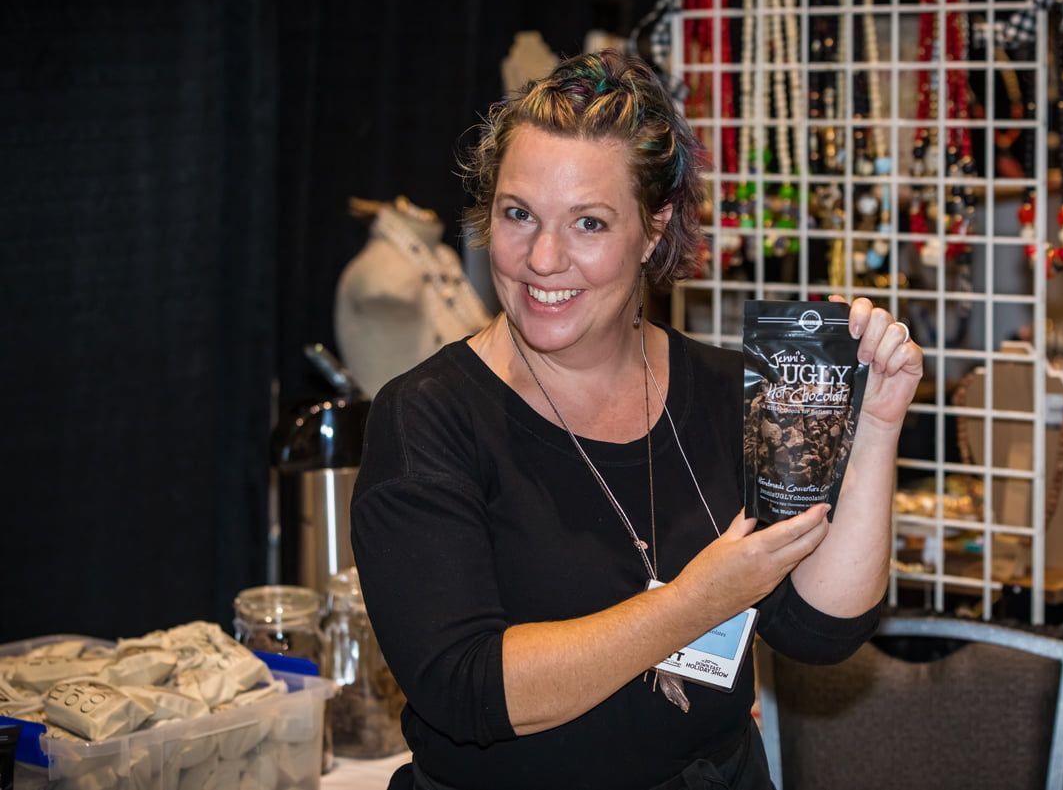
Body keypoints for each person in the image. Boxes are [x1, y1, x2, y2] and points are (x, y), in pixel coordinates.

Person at [351, 49, 924, 790]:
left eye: (588, 223)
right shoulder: (429, 417)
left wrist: (874, 426)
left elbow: (819, 629)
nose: (543, 258)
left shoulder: (724, 391)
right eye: (519, 214)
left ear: (654, 231)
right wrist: (693, 603)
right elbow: (466, 686)